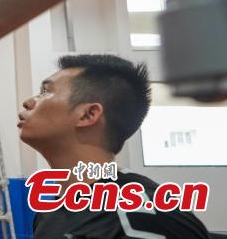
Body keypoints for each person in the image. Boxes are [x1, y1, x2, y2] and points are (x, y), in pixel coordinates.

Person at [19, 54, 209, 238]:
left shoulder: (145, 215)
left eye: (45, 91)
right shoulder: (50, 213)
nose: (28, 102)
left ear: (88, 114)